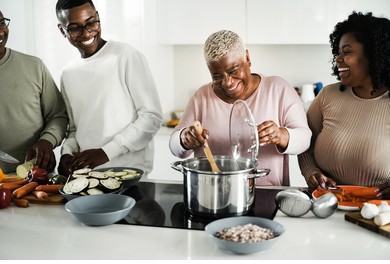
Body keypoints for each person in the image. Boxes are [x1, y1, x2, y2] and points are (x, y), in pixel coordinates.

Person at [169, 30, 311, 186]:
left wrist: (280, 135)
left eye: (233, 71)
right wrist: (183, 139)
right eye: (217, 76)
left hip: (268, 195)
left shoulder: (277, 89)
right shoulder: (201, 97)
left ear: (247, 58)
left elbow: (305, 138)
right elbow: (175, 146)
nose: (227, 82)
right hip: (213, 196)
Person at [55, 0, 163, 176]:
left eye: (91, 22)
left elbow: (152, 117)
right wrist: (67, 152)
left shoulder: (126, 56)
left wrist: (106, 153)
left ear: (98, 17)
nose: (86, 33)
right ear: (62, 30)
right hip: (86, 176)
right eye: (75, 28)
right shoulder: (68, 73)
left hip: (129, 175)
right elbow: (76, 128)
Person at [298, 11, 390, 199]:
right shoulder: (328, 95)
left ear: (374, 54)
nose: (338, 59)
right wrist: (310, 171)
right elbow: (304, 141)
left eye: (346, 52)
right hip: (325, 206)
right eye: (338, 52)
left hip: (378, 216)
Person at [0, 11, 68, 174]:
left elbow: (58, 116)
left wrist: (47, 141)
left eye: (2, 23)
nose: (1, 31)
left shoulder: (34, 66)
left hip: (35, 180)